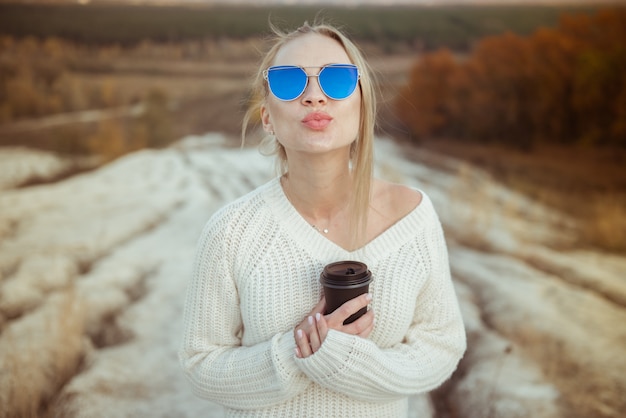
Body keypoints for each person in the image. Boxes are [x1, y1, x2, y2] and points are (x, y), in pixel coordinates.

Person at [179, 20, 466, 418]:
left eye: (336, 80)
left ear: (362, 106)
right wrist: (300, 352)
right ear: (267, 117)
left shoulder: (413, 218)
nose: (314, 96)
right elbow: (200, 364)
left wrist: (345, 362)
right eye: (287, 82)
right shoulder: (231, 231)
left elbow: (441, 346)